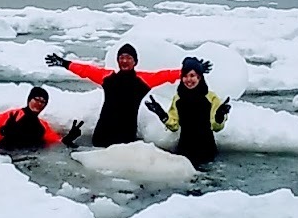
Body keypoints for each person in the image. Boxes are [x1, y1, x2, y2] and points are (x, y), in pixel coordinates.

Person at [46, 44, 203, 148]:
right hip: (102, 134)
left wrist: (192, 69)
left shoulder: (143, 80)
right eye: (121, 58)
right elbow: (86, 70)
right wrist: (64, 63)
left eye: (128, 58)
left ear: (135, 61)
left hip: (126, 137)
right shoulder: (107, 77)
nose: (124, 61)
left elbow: (166, 75)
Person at [144, 57, 230, 167]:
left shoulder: (211, 97)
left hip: (207, 151)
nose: (188, 80)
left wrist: (220, 115)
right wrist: (161, 113)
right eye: (185, 76)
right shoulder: (178, 98)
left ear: (199, 77)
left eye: (192, 76)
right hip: (184, 152)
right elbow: (174, 125)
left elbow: (216, 127)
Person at [0, 86, 82, 150]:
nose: (39, 103)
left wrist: (69, 138)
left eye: (43, 102)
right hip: (5, 157)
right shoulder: (12, 115)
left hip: (29, 157)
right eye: (36, 99)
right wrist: (3, 130)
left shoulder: (42, 125)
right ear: (29, 99)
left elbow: (55, 141)